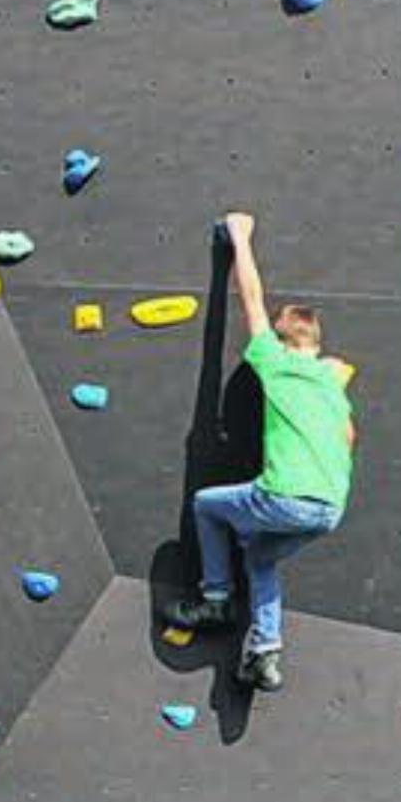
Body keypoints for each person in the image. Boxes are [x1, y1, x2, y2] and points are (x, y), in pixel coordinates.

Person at [165, 212, 356, 692]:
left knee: (206, 506)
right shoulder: (333, 383)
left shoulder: (275, 362)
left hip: (284, 496)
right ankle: (265, 652)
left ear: (285, 336)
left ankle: (216, 598)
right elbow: (349, 436)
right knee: (261, 561)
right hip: (329, 508)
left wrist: (240, 237)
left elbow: (251, 296)